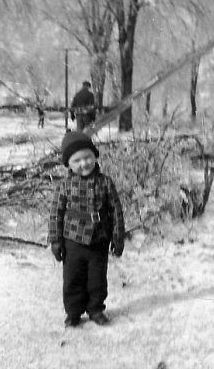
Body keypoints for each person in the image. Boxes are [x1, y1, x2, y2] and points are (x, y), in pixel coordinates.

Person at [48, 131, 125, 327]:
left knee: (97, 280)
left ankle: (96, 309)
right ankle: (73, 312)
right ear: (69, 164)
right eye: (77, 160)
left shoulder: (105, 182)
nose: (84, 164)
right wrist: (56, 240)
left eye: (88, 157)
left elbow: (116, 210)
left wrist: (118, 238)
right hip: (72, 241)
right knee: (73, 279)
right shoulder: (64, 186)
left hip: (99, 240)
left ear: (95, 156)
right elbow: (56, 213)